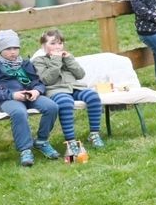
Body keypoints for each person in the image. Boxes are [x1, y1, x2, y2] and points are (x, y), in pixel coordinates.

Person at [0, 30, 60, 166]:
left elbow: (37, 82)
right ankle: (25, 149)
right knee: (19, 112)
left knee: (51, 106)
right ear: (0, 49)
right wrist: (12, 95)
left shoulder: (25, 64)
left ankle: (42, 141)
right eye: (8, 48)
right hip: (9, 99)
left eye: (15, 48)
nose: (12, 52)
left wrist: (36, 91)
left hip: (30, 96)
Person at [31, 29, 105, 161]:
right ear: (43, 46)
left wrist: (69, 59)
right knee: (65, 102)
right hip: (56, 90)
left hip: (75, 87)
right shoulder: (38, 61)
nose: (57, 47)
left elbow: (80, 74)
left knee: (93, 96)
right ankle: (71, 142)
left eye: (60, 43)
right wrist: (56, 60)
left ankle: (94, 134)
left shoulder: (66, 57)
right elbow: (47, 80)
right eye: (53, 43)